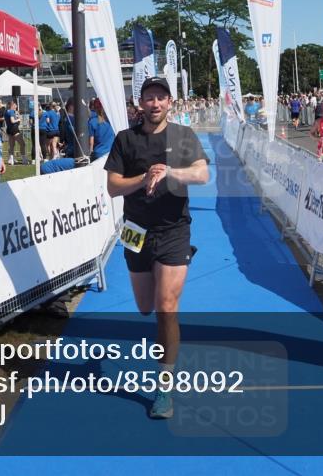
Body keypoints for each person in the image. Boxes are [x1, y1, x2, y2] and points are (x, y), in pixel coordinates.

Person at [104, 77, 210, 420]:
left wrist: (170, 174)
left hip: (174, 230)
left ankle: (164, 388)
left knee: (166, 307)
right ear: (140, 103)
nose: (155, 104)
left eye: (160, 98)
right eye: (149, 98)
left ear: (169, 102)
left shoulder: (183, 136)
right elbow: (112, 187)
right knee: (145, 307)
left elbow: (202, 174)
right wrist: (145, 176)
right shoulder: (125, 139)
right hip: (136, 231)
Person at [4, 100, 27, 165]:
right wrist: (18, 119)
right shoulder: (11, 111)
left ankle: (11, 160)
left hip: (9, 129)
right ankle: (24, 159)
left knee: (12, 145)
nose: (16, 106)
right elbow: (12, 121)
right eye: (15, 105)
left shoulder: (6, 111)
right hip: (14, 129)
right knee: (22, 144)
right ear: (12, 105)